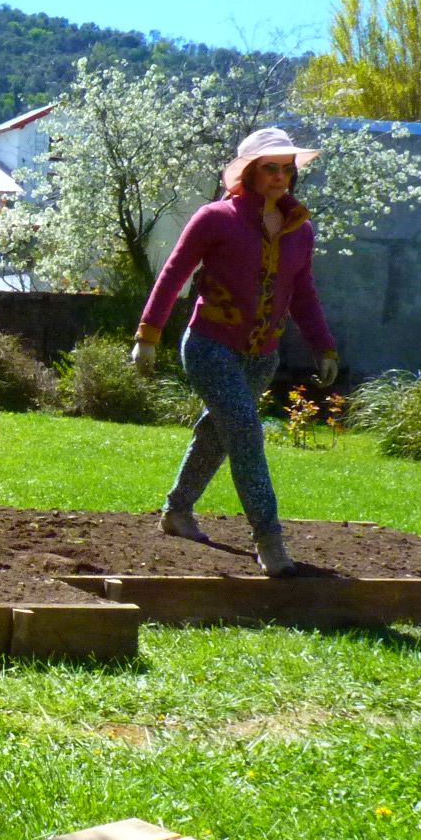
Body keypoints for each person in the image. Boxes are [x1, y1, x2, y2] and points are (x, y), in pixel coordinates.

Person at [129, 127, 339, 577]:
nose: (282, 177)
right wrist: (148, 335)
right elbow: (173, 274)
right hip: (209, 347)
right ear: (249, 172)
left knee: (218, 432)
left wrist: (323, 346)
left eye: (288, 169)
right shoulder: (215, 218)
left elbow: (304, 294)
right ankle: (269, 538)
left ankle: (177, 511)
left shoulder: (300, 231)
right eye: (271, 168)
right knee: (245, 430)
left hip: (263, 356)